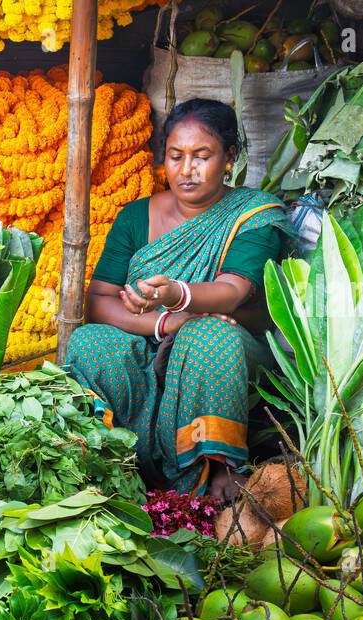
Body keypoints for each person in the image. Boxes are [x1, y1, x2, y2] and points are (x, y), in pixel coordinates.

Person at [65, 98, 292, 500]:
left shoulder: (253, 214)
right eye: (176, 156)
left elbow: (233, 291)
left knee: (206, 337)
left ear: (230, 158)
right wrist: (165, 321)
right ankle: (125, 459)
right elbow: (99, 299)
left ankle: (213, 464)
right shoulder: (135, 217)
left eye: (201, 156)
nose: (186, 170)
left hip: (232, 346)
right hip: (152, 339)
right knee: (90, 342)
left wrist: (176, 294)